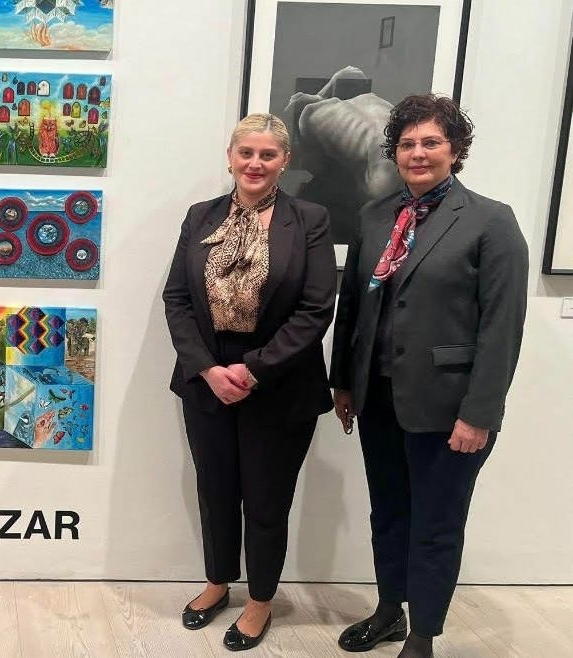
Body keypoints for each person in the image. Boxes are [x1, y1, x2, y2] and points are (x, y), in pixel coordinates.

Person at [330, 95, 528, 658]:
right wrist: (344, 382)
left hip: (448, 408)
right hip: (378, 399)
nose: (418, 153)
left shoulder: (491, 221)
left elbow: (502, 328)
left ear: (455, 150)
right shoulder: (374, 216)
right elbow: (353, 306)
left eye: (431, 142)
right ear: (394, 152)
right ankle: (389, 612)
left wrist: (479, 413)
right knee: (388, 513)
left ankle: (423, 636)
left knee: (436, 524)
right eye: (407, 143)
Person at [163, 113, 336, 652]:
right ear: (230, 157)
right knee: (215, 491)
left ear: (285, 161)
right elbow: (177, 298)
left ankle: (260, 599)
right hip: (207, 378)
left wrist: (255, 368)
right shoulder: (200, 216)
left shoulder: (309, 219)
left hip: (279, 381)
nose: (255, 163)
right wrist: (207, 369)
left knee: (265, 500)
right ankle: (218, 583)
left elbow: (315, 308)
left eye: (267, 154)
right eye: (246, 152)